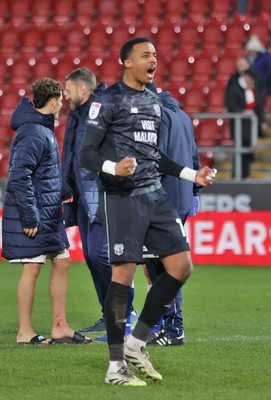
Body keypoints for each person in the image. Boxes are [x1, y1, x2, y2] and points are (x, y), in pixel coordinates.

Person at [79, 37, 217, 386]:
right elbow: (87, 155)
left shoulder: (154, 102)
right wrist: (113, 168)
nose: (153, 59)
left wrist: (191, 174)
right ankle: (115, 368)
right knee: (123, 275)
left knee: (181, 267)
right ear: (127, 62)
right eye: (145, 55)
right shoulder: (106, 101)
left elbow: (156, 156)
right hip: (123, 198)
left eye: (155, 54)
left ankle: (136, 344)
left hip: (155, 195)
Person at [1, 77, 91, 345]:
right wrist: (29, 216)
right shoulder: (33, 132)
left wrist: (66, 191)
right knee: (31, 268)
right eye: (60, 100)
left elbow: (42, 177)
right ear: (52, 102)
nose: (62, 104)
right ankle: (25, 332)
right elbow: (19, 177)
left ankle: (60, 326)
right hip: (35, 215)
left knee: (62, 261)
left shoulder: (41, 130)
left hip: (49, 214)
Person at [62, 68, 137, 339]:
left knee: (101, 255)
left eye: (68, 89)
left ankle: (125, 313)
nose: (65, 95)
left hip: (102, 193)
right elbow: (72, 154)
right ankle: (109, 315)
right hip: (82, 196)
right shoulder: (77, 114)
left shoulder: (102, 110)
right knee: (92, 258)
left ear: (83, 90)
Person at [144, 85, 201, 346]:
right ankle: (167, 324)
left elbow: (157, 159)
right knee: (161, 264)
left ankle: (174, 328)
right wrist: (195, 191)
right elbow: (193, 156)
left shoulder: (157, 116)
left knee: (164, 267)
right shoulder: (183, 116)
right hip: (181, 198)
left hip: (162, 200)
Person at [224, 68, 268, 178]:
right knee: (239, 151)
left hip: (250, 127)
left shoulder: (252, 91)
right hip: (239, 126)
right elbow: (231, 105)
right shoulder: (235, 89)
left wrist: (262, 121)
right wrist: (243, 112)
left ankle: (246, 174)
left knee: (248, 151)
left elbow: (258, 108)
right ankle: (237, 175)